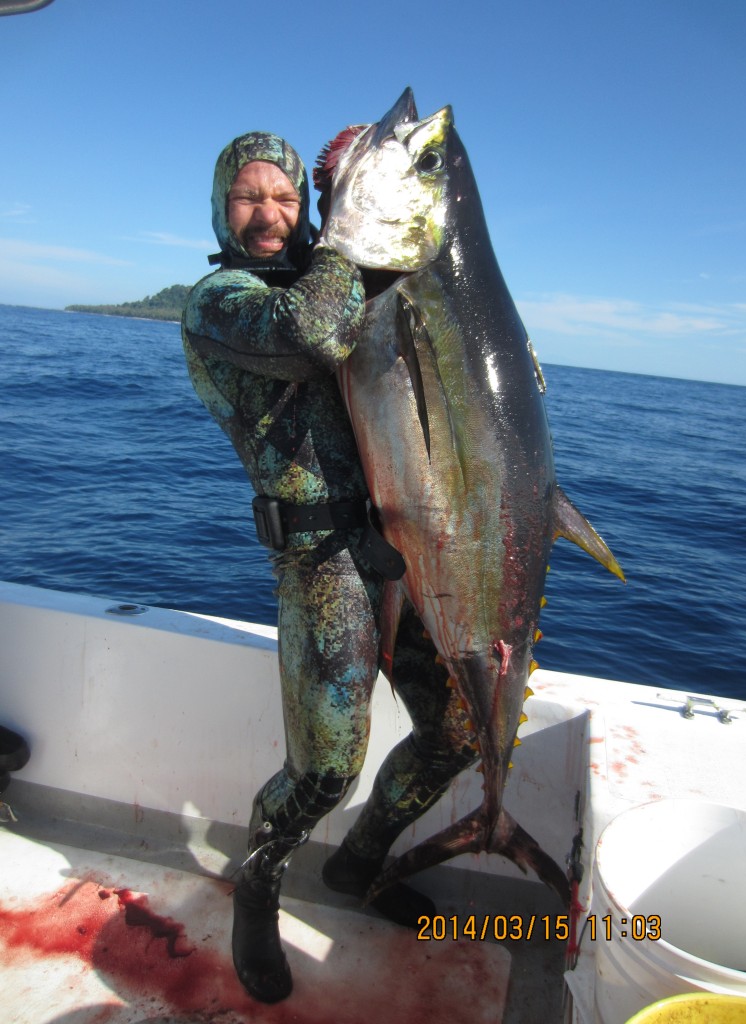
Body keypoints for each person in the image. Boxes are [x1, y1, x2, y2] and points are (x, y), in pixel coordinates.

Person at [181, 131, 477, 1004]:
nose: (269, 214)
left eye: (284, 198)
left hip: (405, 543)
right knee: (323, 772)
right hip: (322, 560)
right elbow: (311, 335)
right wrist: (350, 228)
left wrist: (364, 177)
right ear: (220, 208)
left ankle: (358, 865)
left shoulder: (342, 276)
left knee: (458, 734)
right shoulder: (218, 300)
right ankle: (259, 886)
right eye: (247, 197)